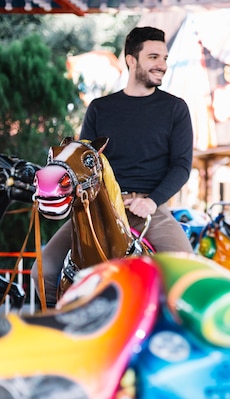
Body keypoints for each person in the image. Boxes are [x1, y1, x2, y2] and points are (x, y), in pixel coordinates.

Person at [31, 26, 194, 307]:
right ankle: (58, 332)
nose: (162, 65)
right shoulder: (100, 108)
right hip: (97, 207)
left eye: (164, 58)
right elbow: (84, 161)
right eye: (154, 57)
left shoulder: (175, 109)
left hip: (149, 211)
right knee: (41, 271)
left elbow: (181, 165)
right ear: (131, 60)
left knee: (189, 276)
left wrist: (153, 202)